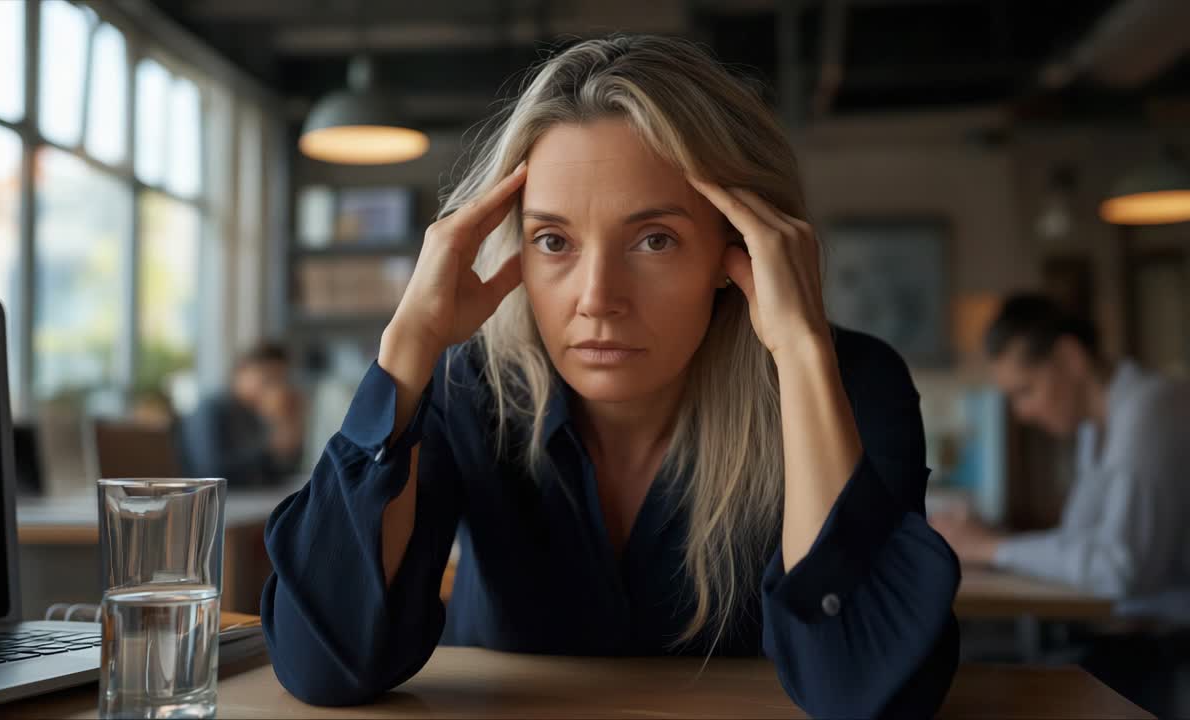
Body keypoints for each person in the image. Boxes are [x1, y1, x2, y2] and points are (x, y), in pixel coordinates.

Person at [261, 35, 959, 718]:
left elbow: (863, 693)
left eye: (654, 239)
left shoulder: (851, 385)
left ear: (740, 248)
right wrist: (408, 347)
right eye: (553, 240)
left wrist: (802, 350)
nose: (597, 297)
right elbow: (325, 664)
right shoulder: (467, 386)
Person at [931, 293, 1190, 622]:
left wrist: (989, 548)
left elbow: (1119, 570)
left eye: (1025, 391)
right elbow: (1076, 538)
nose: (1022, 413)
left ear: (1070, 358)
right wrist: (990, 538)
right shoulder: (1094, 428)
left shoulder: (1149, 410)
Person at [180, 341, 304, 486]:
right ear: (242, 372)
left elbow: (283, 472)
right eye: (268, 379)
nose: (276, 389)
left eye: (281, 381)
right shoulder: (210, 409)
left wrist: (287, 425)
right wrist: (271, 449)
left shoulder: (257, 414)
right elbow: (211, 472)